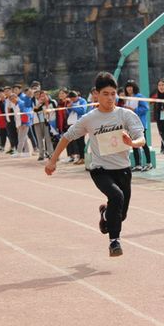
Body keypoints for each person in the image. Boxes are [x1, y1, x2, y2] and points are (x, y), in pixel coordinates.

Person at [45, 72, 145, 257]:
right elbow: (67, 137)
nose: (110, 98)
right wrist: (53, 161)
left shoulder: (125, 115)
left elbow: (141, 138)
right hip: (100, 170)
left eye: (113, 93)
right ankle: (114, 242)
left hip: (123, 170)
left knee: (120, 214)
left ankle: (106, 214)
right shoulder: (90, 118)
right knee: (117, 196)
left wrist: (132, 143)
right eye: (105, 93)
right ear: (96, 95)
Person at [122, 80, 152, 171]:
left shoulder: (139, 97)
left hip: (140, 124)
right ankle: (138, 164)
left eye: (131, 86)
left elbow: (145, 108)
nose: (129, 88)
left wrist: (134, 110)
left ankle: (148, 163)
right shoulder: (126, 98)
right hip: (130, 125)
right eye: (127, 87)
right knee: (133, 144)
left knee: (144, 143)